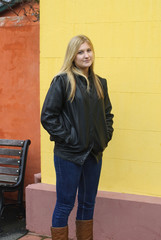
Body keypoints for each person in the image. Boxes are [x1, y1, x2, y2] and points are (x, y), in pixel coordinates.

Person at [41, 35, 114, 240]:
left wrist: (104, 137)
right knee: (65, 204)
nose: (85, 55)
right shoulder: (62, 81)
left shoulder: (101, 83)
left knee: (88, 203)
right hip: (68, 155)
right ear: (72, 56)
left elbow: (107, 114)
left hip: (94, 154)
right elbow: (48, 117)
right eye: (80, 52)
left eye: (88, 50)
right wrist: (70, 138)